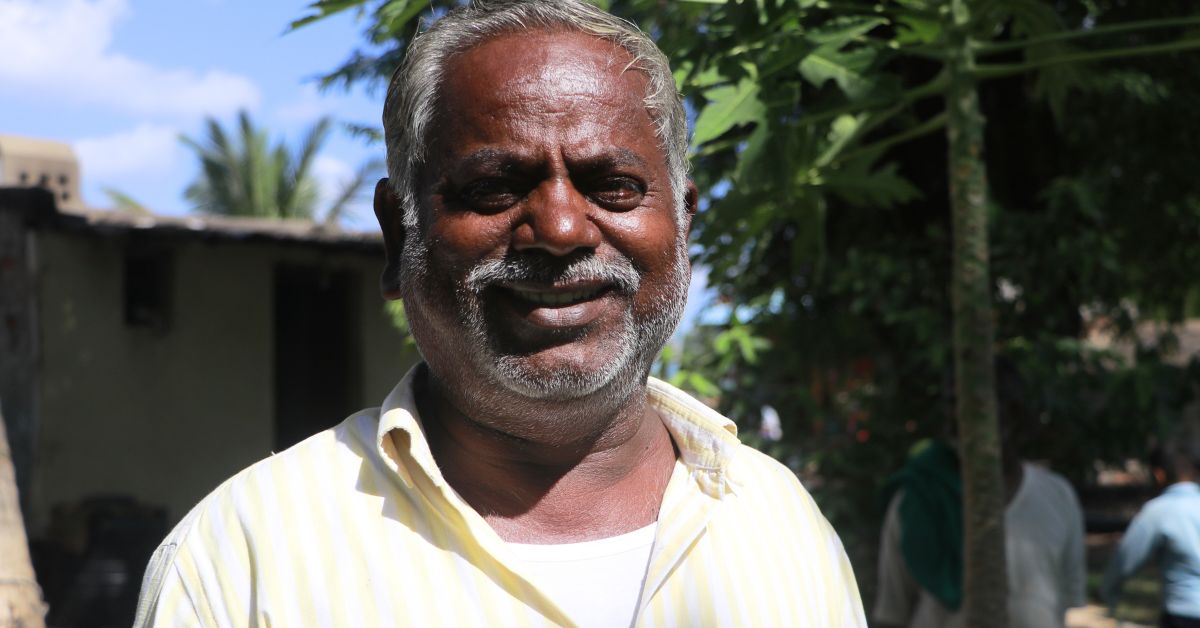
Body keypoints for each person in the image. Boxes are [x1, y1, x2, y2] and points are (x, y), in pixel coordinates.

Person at [133, 1, 866, 625]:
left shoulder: (781, 527)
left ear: (683, 222)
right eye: (494, 187)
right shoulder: (241, 559)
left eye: (612, 185)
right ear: (399, 234)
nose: (561, 229)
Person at [873, 360, 1087, 627]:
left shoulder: (1057, 496)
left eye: (976, 405)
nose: (958, 418)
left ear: (1014, 414)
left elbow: (1070, 602)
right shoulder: (918, 500)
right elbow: (892, 612)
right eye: (952, 405)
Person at [1103, 431, 1200, 628]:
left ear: (1159, 474)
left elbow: (1126, 558)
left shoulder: (1159, 510)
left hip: (1182, 615)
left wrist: (1109, 592)